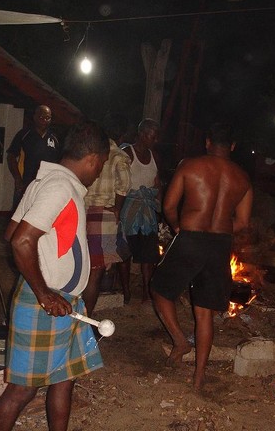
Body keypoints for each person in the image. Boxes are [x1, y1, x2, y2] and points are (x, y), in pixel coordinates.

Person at [0, 120, 109, 431]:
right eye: (101, 165)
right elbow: (20, 241)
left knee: (64, 379)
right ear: (92, 159)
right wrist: (43, 293)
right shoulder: (59, 188)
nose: (99, 173)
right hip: (47, 303)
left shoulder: (45, 183)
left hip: (64, 303)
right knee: (22, 390)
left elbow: (11, 232)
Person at [150, 122, 253, 391]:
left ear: (208, 142)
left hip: (191, 238)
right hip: (219, 245)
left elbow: (169, 205)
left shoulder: (190, 166)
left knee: (159, 290)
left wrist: (177, 226)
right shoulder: (242, 178)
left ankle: (179, 340)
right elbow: (243, 222)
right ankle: (198, 378)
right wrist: (220, 228)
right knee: (204, 313)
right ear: (232, 146)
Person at [82, 113, 132, 315]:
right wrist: (118, 208)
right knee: (97, 271)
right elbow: (125, 185)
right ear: (121, 135)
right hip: (105, 216)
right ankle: (86, 317)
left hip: (83, 212)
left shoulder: (90, 152)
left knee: (83, 266)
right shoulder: (119, 156)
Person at [120, 118, 161, 303]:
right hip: (129, 208)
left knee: (148, 255)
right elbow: (119, 182)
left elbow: (157, 183)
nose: (155, 140)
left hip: (147, 210)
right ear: (142, 134)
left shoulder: (154, 156)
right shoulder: (127, 153)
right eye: (153, 136)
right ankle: (126, 292)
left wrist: (158, 205)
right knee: (125, 252)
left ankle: (146, 292)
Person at [6, 104, 61, 208]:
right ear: (35, 117)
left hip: (46, 185)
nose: (44, 120)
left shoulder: (54, 138)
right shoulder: (24, 135)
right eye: (41, 117)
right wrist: (18, 179)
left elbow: (59, 161)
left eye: (47, 118)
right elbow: (11, 156)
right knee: (20, 213)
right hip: (26, 184)